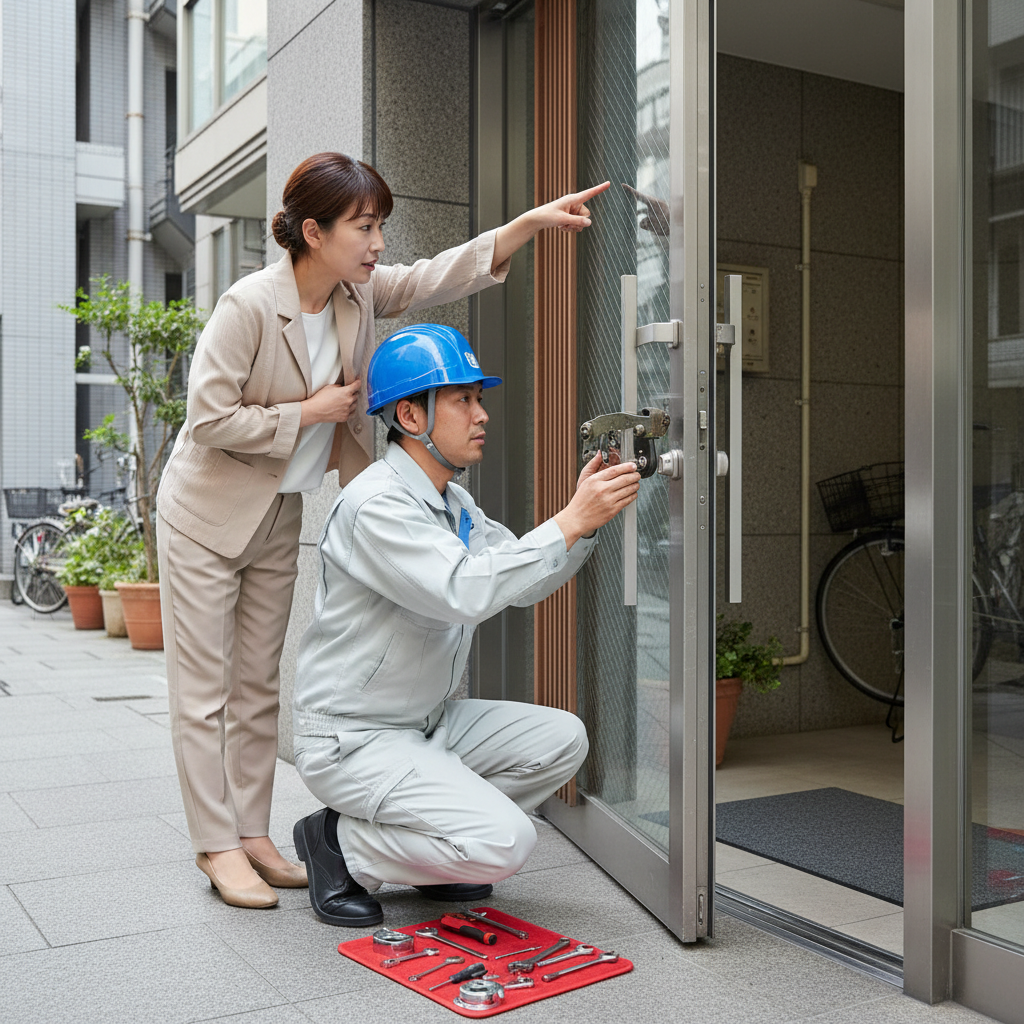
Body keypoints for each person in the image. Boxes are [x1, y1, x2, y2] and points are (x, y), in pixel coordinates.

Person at [156, 151, 610, 909]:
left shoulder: (354, 296)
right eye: (363, 227)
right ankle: (216, 844)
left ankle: (256, 835)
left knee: (258, 683)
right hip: (208, 512)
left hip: (279, 507)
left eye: (380, 227)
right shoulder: (248, 305)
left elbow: (435, 276)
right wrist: (310, 412)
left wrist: (526, 226)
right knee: (205, 690)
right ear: (313, 232)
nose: (378, 243)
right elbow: (206, 418)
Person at [290, 324, 640, 926]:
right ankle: (338, 844)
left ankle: (438, 854)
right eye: (463, 399)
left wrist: (582, 525)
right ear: (411, 416)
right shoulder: (377, 505)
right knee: (507, 843)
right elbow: (464, 590)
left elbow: (522, 583)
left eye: (479, 398)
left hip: (425, 724)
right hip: (354, 739)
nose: (482, 415)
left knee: (563, 739)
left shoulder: (453, 503)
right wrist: (567, 520)